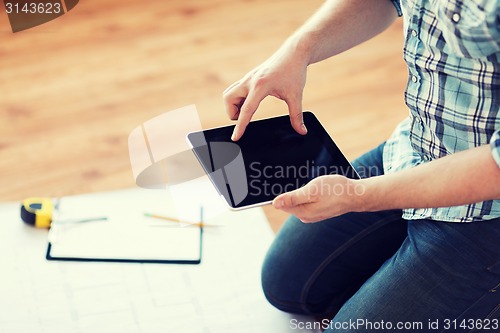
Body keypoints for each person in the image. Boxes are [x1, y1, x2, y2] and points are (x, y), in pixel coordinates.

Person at [223, 0, 500, 332]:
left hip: (487, 212)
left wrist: (358, 195)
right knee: (287, 284)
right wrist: (298, 49)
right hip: (415, 151)